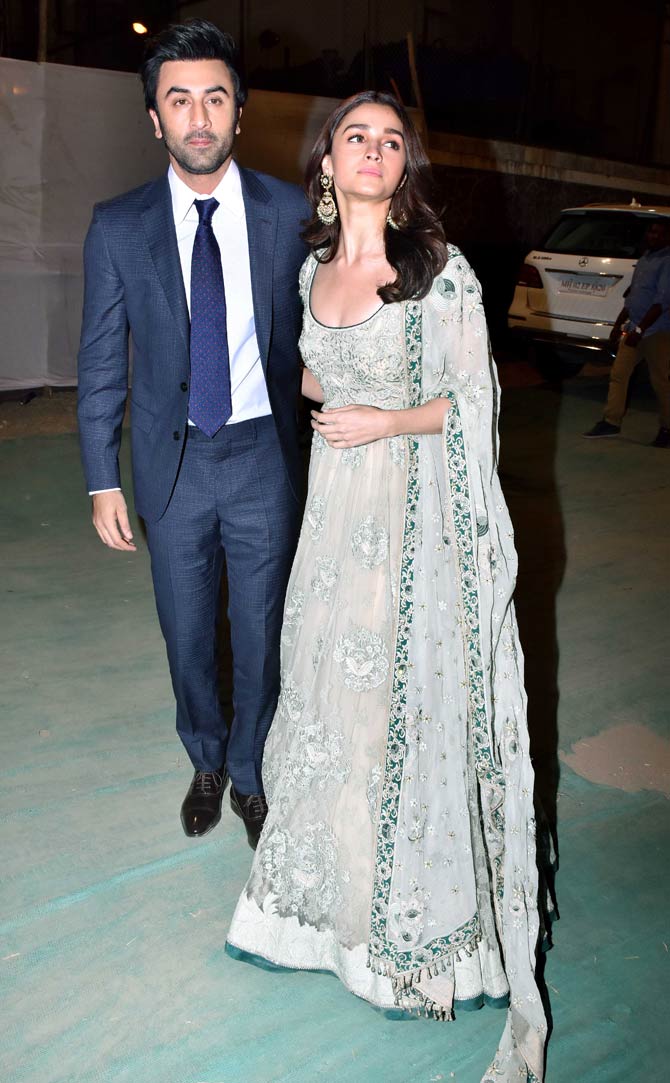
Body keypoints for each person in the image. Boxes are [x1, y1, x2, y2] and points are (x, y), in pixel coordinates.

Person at [226, 92, 546, 1082]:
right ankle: (327, 918)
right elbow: (316, 375)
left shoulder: (439, 273)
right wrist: (335, 399)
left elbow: (472, 399)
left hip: (414, 526)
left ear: (404, 167)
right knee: (334, 711)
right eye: (353, 137)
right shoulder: (311, 270)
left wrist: (380, 419)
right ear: (325, 161)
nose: (371, 152)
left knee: (400, 714)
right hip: (335, 528)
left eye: (389, 141)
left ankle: (414, 948)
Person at [77, 20, 307, 846]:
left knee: (260, 629)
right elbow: (101, 359)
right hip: (172, 469)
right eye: (180, 99)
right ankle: (205, 756)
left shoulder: (287, 212)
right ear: (154, 118)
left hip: (263, 460)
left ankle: (249, 770)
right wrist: (103, 474)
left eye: (215, 97)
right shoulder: (119, 225)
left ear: (240, 112)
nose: (199, 116)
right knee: (185, 633)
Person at [583, 218, 670, 447]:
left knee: (661, 381)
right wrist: (618, 324)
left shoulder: (667, 261)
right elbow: (633, 298)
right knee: (619, 375)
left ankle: (667, 428)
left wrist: (640, 330)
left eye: (660, 234)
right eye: (652, 232)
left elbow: (662, 302)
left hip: (657, 332)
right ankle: (611, 421)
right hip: (634, 329)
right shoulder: (644, 259)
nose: (654, 236)